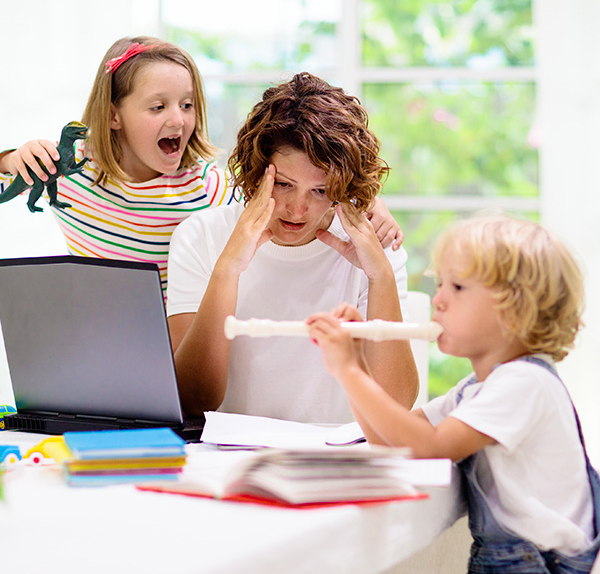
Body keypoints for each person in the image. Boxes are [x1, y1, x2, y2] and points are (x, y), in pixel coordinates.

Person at [0, 37, 402, 301]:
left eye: (187, 105)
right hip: (93, 337)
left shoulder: (208, 187)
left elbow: (295, 190)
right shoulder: (67, 170)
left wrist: (366, 201)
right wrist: (11, 159)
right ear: (113, 115)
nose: (178, 120)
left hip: (173, 346)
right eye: (158, 107)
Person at [307, 214, 600, 573]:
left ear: (515, 309)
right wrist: (356, 365)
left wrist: (349, 371)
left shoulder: (524, 384)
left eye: (457, 288)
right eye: (440, 284)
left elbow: (431, 448)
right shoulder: (477, 389)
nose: (438, 300)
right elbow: (389, 442)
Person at [167, 72, 419, 424]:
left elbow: (396, 406)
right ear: (256, 173)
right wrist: (227, 270)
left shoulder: (373, 248)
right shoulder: (200, 237)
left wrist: (380, 276)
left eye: (319, 191)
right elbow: (194, 398)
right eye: (283, 184)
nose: (297, 210)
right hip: (228, 459)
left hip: (335, 457)